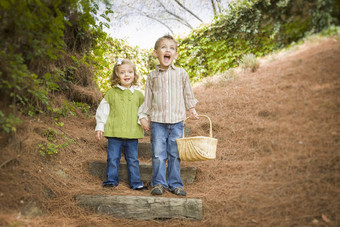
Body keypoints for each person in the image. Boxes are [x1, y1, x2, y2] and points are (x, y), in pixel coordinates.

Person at [139, 35, 198, 196]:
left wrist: (191, 108)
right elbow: (148, 99)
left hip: (177, 122)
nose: (168, 50)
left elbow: (187, 92)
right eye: (163, 47)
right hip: (158, 122)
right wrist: (144, 115)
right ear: (155, 53)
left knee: (175, 154)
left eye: (171, 48)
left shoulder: (181, 73)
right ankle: (158, 183)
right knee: (158, 154)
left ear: (176, 55)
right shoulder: (152, 76)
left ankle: (175, 184)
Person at [95, 58, 147, 191]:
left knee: (133, 160)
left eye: (130, 72)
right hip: (114, 133)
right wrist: (100, 126)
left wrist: (143, 120)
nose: (127, 75)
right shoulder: (111, 93)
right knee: (113, 158)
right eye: (122, 72)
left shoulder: (139, 95)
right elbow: (103, 111)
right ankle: (111, 180)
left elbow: (143, 111)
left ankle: (135, 182)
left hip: (132, 133)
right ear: (117, 75)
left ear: (134, 74)